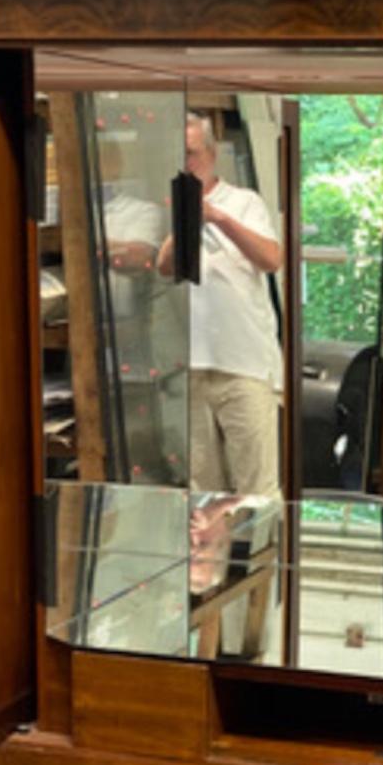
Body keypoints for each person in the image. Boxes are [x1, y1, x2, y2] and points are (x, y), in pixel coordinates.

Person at [158, 114, 283, 497]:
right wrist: (186, 219)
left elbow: (271, 259)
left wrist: (218, 218)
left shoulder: (245, 203)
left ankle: (262, 558)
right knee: (203, 492)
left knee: (256, 490)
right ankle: (211, 559)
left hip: (244, 367)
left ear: (211, 154)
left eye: (192, 154)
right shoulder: (173, 206)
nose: (186, 163)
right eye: (179, 156)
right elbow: (165, 267)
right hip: (194, 368)